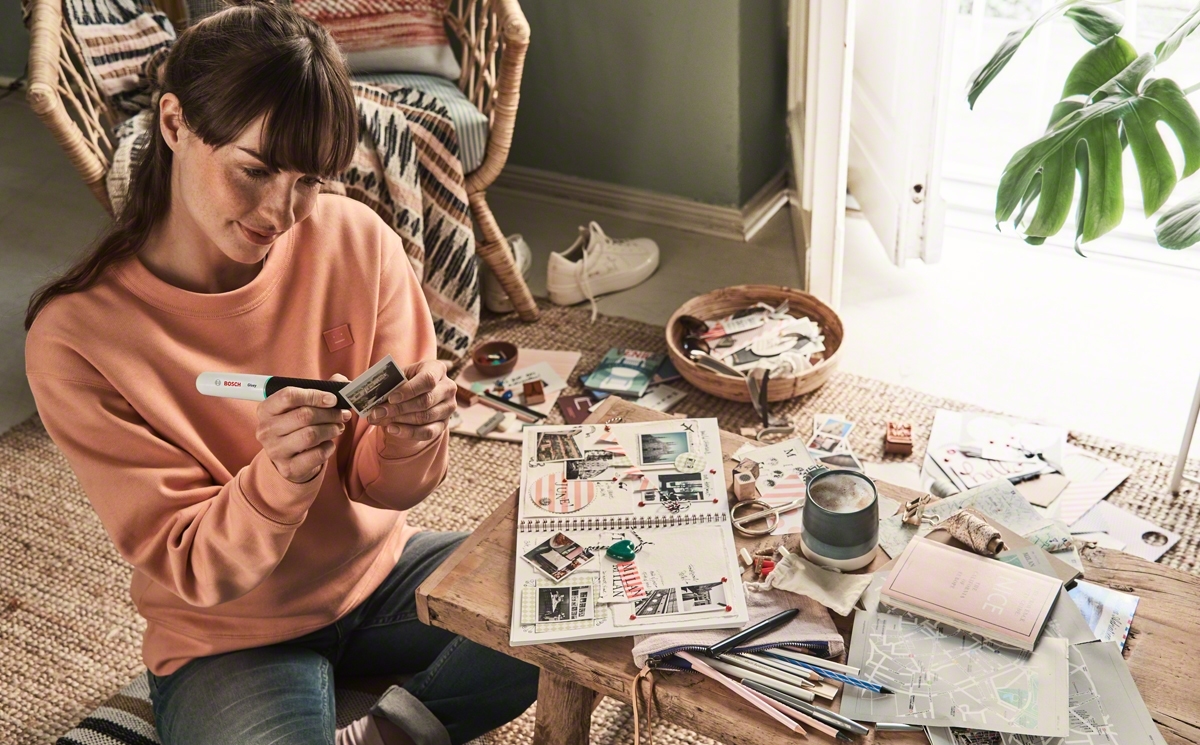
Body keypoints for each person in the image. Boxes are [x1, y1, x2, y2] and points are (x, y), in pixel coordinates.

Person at [22, 3, 537, 744]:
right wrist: (278, 479)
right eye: (256, 170)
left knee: (573, 598)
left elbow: (388, 490)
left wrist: (412, 435)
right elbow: (192, 565)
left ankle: (388, 731)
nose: (281, 210)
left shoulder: (358, 240)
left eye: (309, 180)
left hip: (378, 574)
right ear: (174, 124)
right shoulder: (77, 337)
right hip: (229, 638)